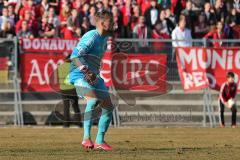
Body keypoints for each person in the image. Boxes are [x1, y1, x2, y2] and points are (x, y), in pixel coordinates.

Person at [68, 10, 114, 151]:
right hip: (79, 74)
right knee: (92, 100)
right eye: (110, 21)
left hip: (93, 75)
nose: (113, 24)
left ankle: (100, 140)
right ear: (102, 23)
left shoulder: (105, 38)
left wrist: (94, 73)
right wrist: (87, 71)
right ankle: (86, 138)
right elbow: (74, 56)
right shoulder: (91, 36)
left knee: (108, 106)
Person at [57, 55, 82, 128]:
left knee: (66, 107)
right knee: (75, 106)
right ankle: (78, 123)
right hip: (72, 89)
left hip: (63, 89)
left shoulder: (60, 66)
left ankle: (66, 124)